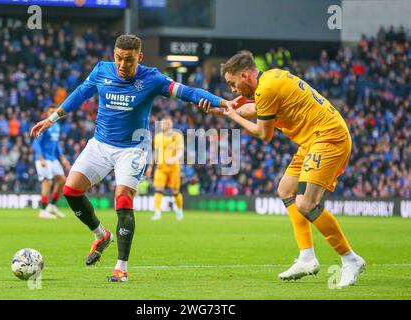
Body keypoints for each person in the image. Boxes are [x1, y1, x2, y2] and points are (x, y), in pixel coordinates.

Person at [30, 35, 232, 282]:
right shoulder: (102, 71)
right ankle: (101, 235)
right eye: (118, 58)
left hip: (132, 149)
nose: (122, 65)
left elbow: (187, 92)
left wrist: (225, 103)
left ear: (139, 57)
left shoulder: (152, 78)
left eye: (128, 60)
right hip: (100, 144)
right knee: (71, 190)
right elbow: (81, 93)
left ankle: (121, 267)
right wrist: (51, 120)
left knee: (123, 200)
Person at [199, 51, 365, 288]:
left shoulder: (266, 90)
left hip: (329, 137)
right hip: (312, 140)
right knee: (286, 189)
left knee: (306, 204)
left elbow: (262, 133)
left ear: (245, 75)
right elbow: (256, 109)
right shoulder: (272, 78)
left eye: (232, 83)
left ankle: (350, 259)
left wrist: (234, 116)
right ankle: (307, 256)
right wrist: (224, 108)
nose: (233, 89)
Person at [32, 104, 71, 219]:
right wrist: (41, 158)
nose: (53, 113)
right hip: (43, 158)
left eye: (55, 111)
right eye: (51, 111)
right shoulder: (44, 125)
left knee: (62, 180)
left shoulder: (57, 126)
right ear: (46, 114)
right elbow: (36, 143)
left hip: (53, 159)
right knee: (47, 182)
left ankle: (52, 206)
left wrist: (62, 158)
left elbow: (56, 145)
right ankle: (43, 211)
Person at [151, 114, 184, 221]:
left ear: (172, 124)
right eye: (164, 123)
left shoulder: (177, 135)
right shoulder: (157, 137)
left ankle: (179, 210)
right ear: (161, 124)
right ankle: (157, 212)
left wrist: (174, 159)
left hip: (173, 167)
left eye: (168, 123)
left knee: (175, 191)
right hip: (161, 167)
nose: (166, 125)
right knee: (158, 189)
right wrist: (150, 167)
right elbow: (155, 153)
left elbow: (180, 151)